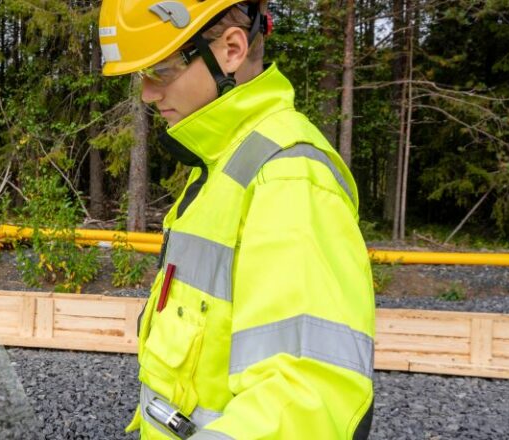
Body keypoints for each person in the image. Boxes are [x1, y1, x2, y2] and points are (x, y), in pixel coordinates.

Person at [97, 1, 375, 438]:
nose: (148, 93)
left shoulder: (287, 176)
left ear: (231, 50)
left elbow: (306, 401)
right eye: (142, 75)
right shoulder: (222, 164)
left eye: (162, 70)